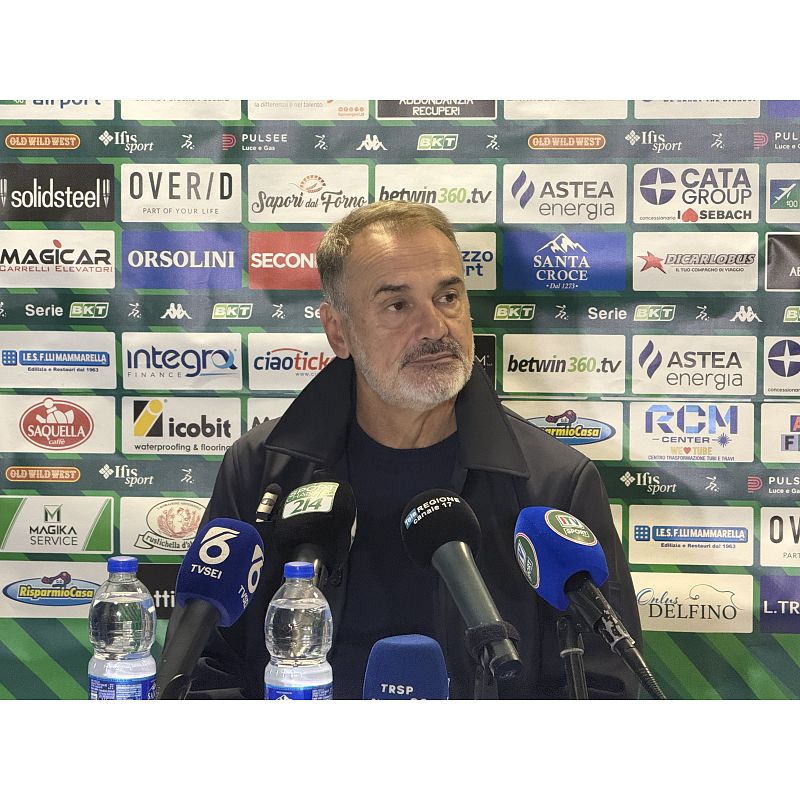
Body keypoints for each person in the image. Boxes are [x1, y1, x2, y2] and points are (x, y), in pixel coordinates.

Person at [173, 200, 643, 699]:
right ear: (338, 331)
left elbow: (603, 690)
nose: (435, 327)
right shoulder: (260, 470)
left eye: (448, 297)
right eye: (398, 306)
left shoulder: (555, 483)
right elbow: (205, 675)